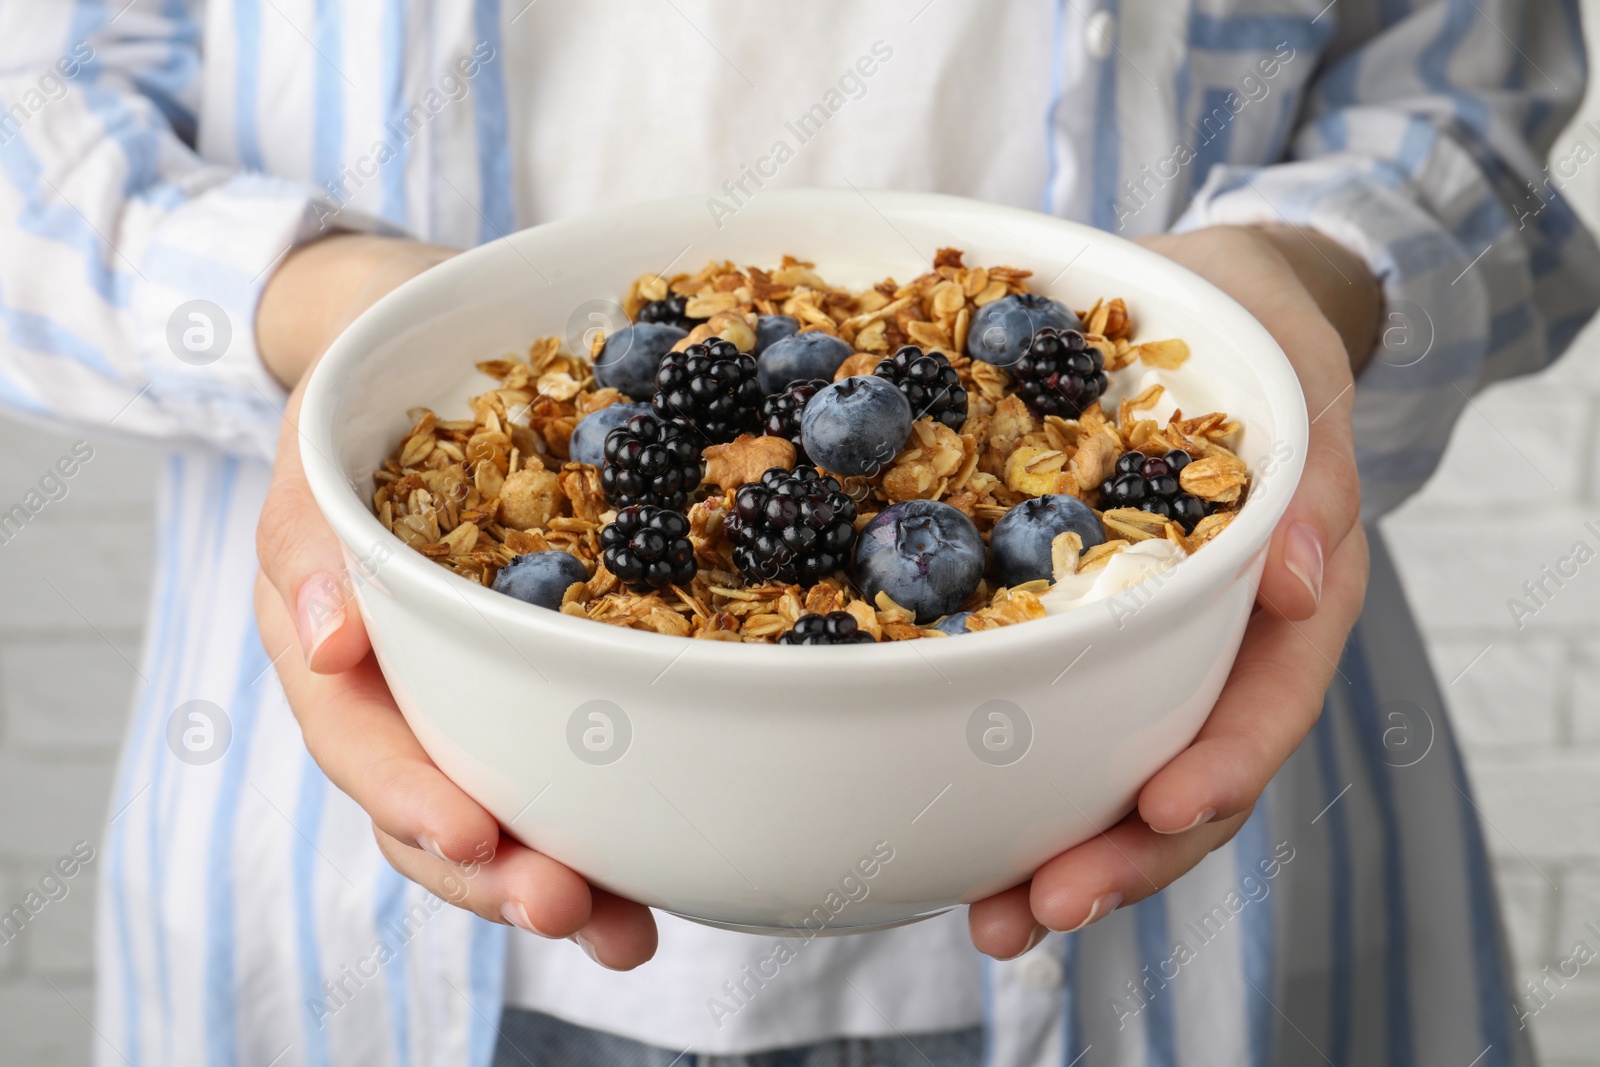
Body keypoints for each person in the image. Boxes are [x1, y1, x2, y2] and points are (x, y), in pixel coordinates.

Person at [1, 1, 1594, 1064]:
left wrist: (1289, 289)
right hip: (360, 897)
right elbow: (34, 123)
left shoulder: (981, 416)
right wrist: (329, 314)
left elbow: (1466, 116)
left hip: (1176, 831)